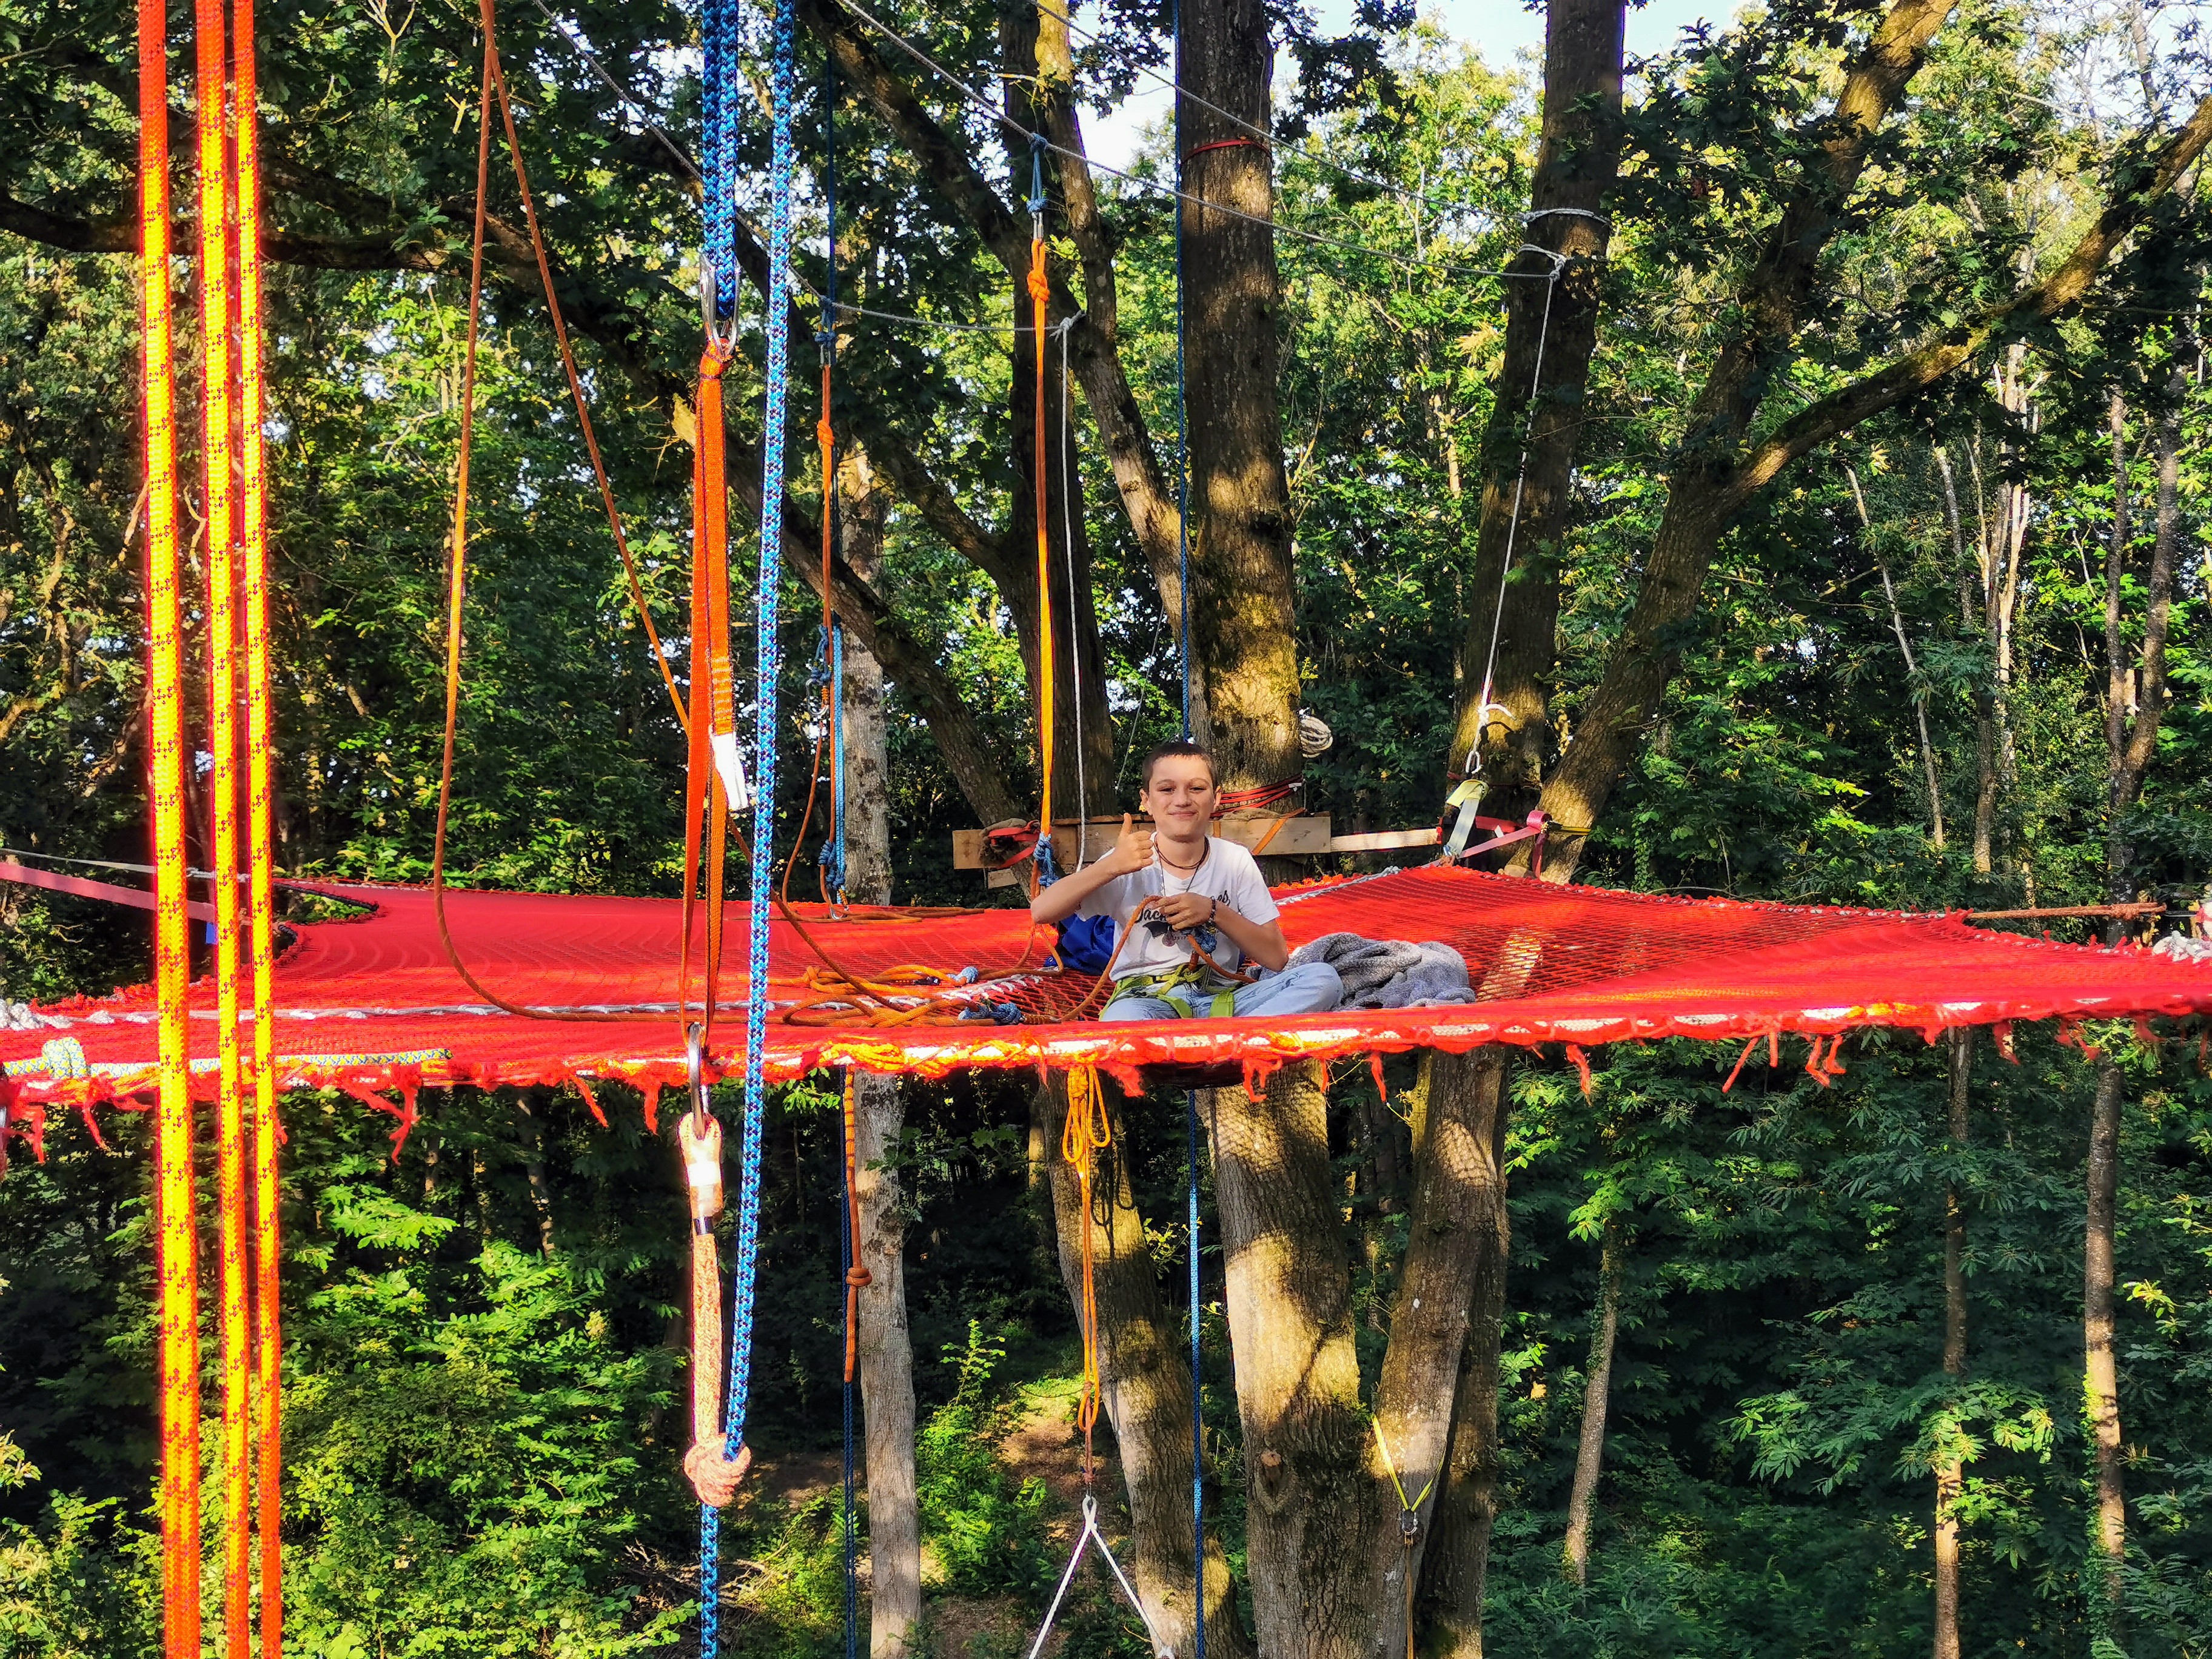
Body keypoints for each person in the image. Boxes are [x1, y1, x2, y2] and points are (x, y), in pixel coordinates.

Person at [1029, 739, 1343, 1021]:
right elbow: (1041, 912)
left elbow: (1275, 958)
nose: (1182, 800)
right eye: (1166, 789)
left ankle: (1216, 1044)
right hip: (1146, 1001)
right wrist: (1110, 867)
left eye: (1196, 788)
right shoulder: (1127, 860)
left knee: (1323, 978)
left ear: (1216, 798)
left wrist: (1213, 911)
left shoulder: (1235, 860)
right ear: (1146, 800)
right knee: (1119, 1021)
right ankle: (1227, 1044)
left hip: (1225, 999)